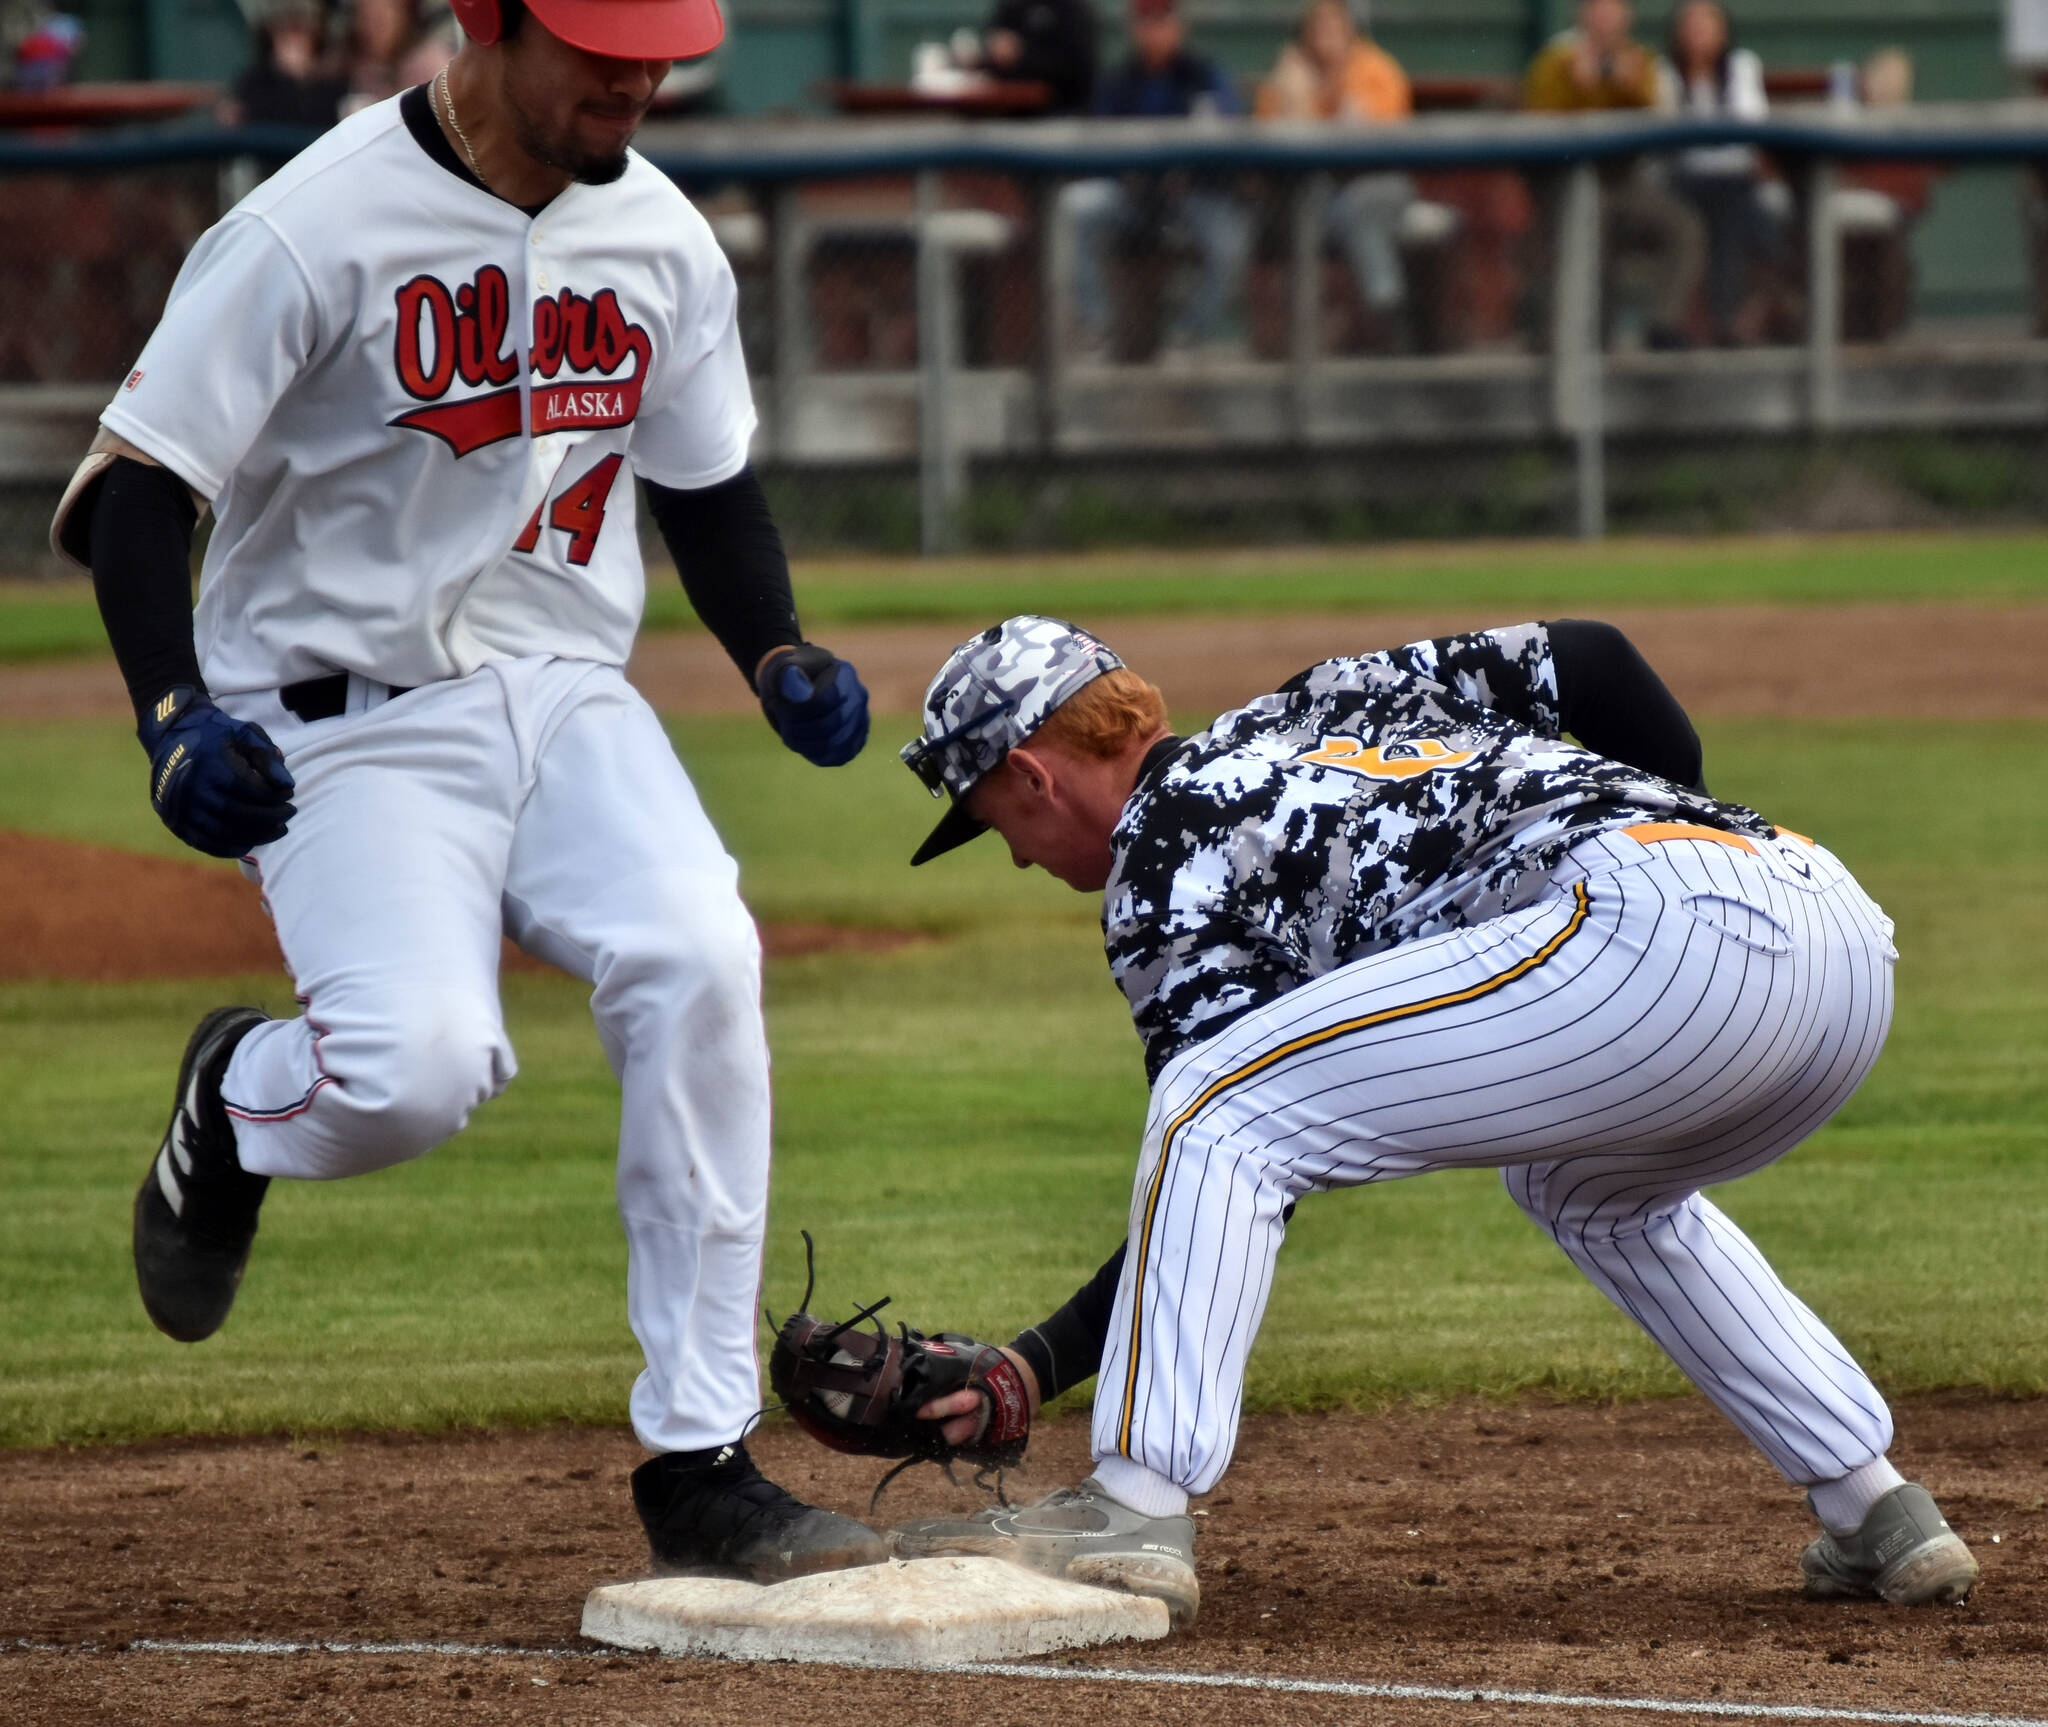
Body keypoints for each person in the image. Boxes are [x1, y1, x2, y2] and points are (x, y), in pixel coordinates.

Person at [51, 0, 885, 1584]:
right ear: (489, 22)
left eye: (660, 50)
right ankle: (235, 1100)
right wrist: (170, 713)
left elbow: (707, 491)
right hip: (340, 717)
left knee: (701, 951)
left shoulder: (660, 239)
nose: (639, 76)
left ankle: (700, 1459)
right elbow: (141, 487)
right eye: (601, 46)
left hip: (563, 688)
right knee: (411, 1074)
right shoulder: (311, 226)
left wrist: (776, 649)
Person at [884, 614, 1980, 1628]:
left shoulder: (1160, 861)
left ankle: (1133, 1498)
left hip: (1650, 927)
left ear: (1027, 774)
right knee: (1585, 1192)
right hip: (1827, 924)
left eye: (993, 824)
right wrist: (1696, 871)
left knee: (1213, 1108)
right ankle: (1873, 1507)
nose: (1020, 855)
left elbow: (1218, 1165)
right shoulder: (1324, 697)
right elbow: (1594, 659)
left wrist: (1032, 1360)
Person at [1058, 0, 1250, 357]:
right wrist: (1132, 175)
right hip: (1133, 194)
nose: (1154, 30)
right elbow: (1098, 146)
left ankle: (1188, 336)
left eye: (1162, 20)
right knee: (1074, 207)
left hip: (1194, 195)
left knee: (1230, 247)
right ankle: (1098, 327)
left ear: (1179, 26)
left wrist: (1190, 172)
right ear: (1134, 28)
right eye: (1146, 21)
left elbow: (1228, 134)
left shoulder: (1202, 75)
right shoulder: (1121, 81)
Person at [1522, 0, 1703, 350]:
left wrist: (1629, 86)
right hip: (1566, 178)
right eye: (1596, 9)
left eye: (1613, 9)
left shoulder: (1643, 61)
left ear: (1627, 17)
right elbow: (1535, 121)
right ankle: (1575, 338)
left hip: (1623, 179)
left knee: (1684, 227)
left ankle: (1659, 327)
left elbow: (1664, 123)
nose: (1605, 18)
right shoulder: (1556, 58)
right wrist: (1576, 85)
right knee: (1590, 226)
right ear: (1582, 15)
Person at [1255, 0, 1417, 340]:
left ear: (1350, 30)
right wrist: (1296, 97)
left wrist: (1336, 86)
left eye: (1334, 27)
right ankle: (1313, 333)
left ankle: (1386, 317)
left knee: (1357, 210)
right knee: (1306, 204)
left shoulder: (1374, 68)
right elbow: (1266, 129)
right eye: (1318, 28)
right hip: (1318, 189)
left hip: (1379, 183)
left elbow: (1382, 136)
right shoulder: (1292, 71)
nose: (1326, 36)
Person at [1656, 1, 1783, 346]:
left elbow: (1752, 120)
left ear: (1723, 29)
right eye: (1691, 23)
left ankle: (1733, 322)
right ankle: (1728, 322)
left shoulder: (1741, 67)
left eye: (1707, 22)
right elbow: (1664, 131)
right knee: (1731, 215)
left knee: (1745, 216)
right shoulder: (1664, 71)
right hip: (1684, 182)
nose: (1698, 31)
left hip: (1735, 180)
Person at [221, 0, 347, 131]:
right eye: (284, 30)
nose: (292, 39)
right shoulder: (252, 80)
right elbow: (239, 121)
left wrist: (305, 77)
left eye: (299, 30)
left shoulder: (333, 82)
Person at [974, 0, 1098, 116]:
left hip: (1061, 115)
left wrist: (1021, 55)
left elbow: (1073, 67)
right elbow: (992, 47)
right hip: (1006, 112)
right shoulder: (1011, 8)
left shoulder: (1071, 10)